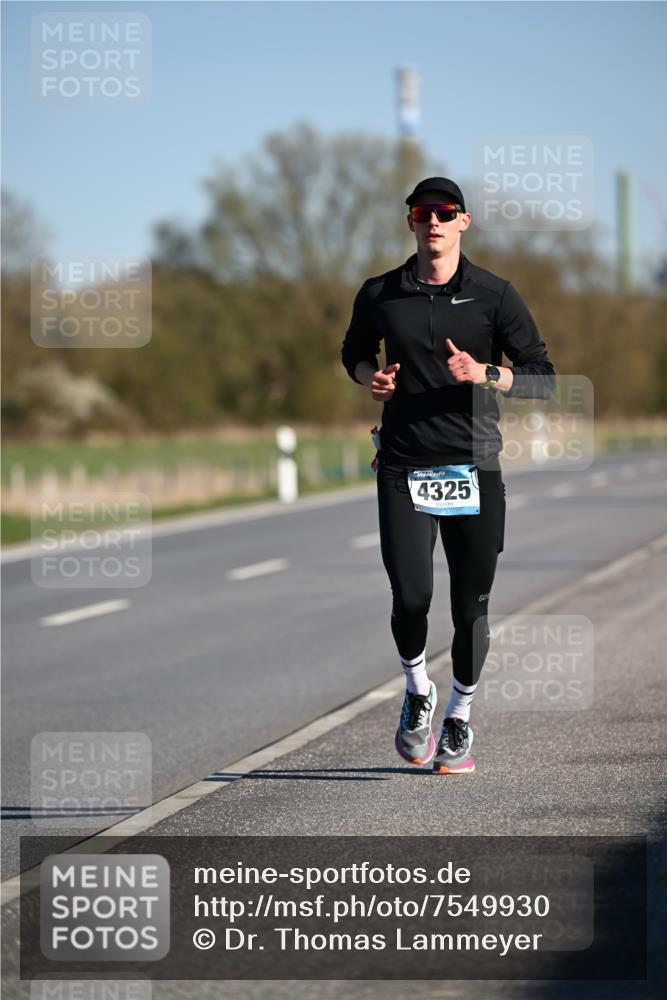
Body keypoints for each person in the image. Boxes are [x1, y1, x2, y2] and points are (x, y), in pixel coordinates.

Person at [341, 177, 555, 774]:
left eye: (445, 213)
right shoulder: (381, 292)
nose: (433, 222)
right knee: (411, 595)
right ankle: (418, 691)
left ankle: (459, 713)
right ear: (410, 221)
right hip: (404, 465)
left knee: (470, 606)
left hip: (474, 466)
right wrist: (369, 379)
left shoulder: (495, 295)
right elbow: (353, 351)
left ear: (464, 221)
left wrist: (486, 373)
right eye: (422, 213)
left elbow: (543, 376)